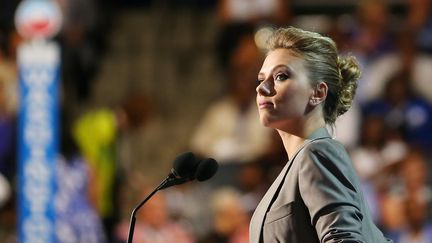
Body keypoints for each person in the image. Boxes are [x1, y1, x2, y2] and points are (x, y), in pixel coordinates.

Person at [249, 26, 391, 242]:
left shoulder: (316, 153)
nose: (262, 88)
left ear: (318, 93)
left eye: (280, 76)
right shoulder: (299, 163)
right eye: (261, 78)